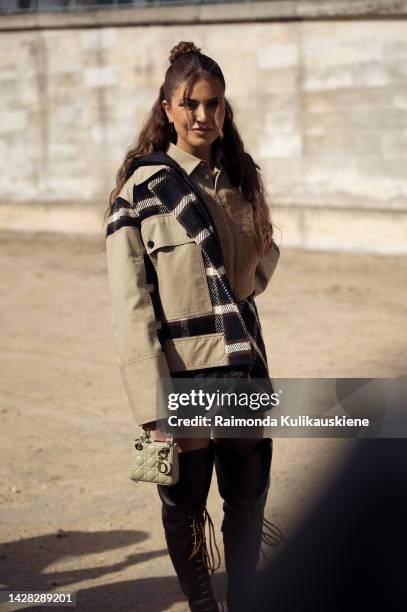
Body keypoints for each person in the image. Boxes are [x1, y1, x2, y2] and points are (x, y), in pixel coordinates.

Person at [104, 41, 281, 612]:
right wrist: (149, 401)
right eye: (191, 104)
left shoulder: (236, 180)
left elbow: (259, 265)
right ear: (168, 107)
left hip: (244, 365)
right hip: (185, 375)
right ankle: (205, 606)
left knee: (249, 494)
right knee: (185, 501)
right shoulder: (140, 191)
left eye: (215, 105)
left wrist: (246, 260)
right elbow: (131, 304)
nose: (203, 116)